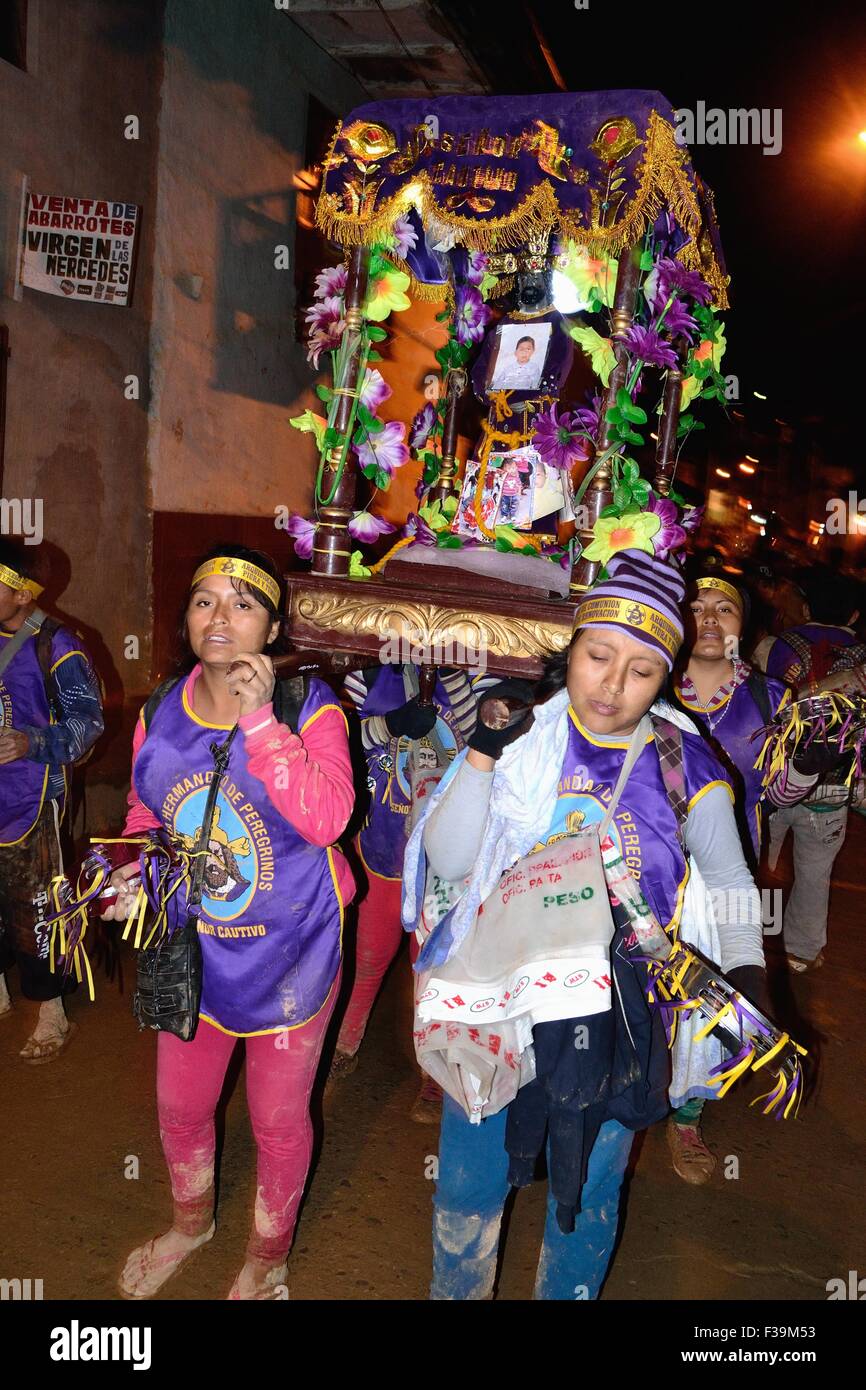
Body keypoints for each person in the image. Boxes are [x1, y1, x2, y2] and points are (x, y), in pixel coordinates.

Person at [404, 551, 766, 1300]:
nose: (611, 685)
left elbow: (730, 880)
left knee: (589, 1195)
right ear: (571, 646)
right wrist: (479, 752)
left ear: (666, 676)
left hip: (620, 1017)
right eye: (597, 656)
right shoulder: (522, 733)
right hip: (503, 1001)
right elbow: (448, 855)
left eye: (640, 670)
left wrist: (747, 980)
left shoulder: (683, 761)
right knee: (469, 1185)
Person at [102, 546, 355, 1299]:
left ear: (272, 626)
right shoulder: (159, 711)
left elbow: (329, 818)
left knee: (278, 1118)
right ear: (186, 619)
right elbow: (148, 815)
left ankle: (266, 1256)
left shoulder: (310, 707)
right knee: (180, 1105)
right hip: (199, 947)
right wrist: (133, 876)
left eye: (243, 604)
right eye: (205, 600)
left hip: (294, 948)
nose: (221, 616)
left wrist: (259, 723)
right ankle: (191, 1223)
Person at [666, 574, 815, 1182]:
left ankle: (687, 1117)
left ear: (743, 627)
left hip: (729, 872)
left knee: (717, 1000)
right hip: (650, 865)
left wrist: (806, 765)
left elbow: (776, 793)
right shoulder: (647, 679)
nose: (707, 619)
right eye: (694, 608)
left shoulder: (771, 700)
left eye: (722, 609)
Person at [329, 663, 478, 1122]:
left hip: (447, 857)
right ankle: (344, 1045)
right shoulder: (368, 677)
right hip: (384, 843)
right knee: (370, 955)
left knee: (434, 968)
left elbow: (489, 745)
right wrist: (390, 725)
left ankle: (435, 1074)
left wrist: (455, 678)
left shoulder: (486, 672)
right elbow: (338, 742)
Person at [0, 539, 104, 1061]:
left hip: (34, 799)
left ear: (22, 595)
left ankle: (50, 1010)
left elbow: (89, 723)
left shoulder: (57, 645)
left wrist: (32, 742)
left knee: (37, 905)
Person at [753, 570, 866, 972]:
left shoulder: (773, 646)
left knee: (761, 864)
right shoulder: (863, 660)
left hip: (775, 780)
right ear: (853, 616)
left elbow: (760, 707)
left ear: (804, 609)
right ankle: (801, 951)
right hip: (833, 788)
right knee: (815, 873)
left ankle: (755, 938)